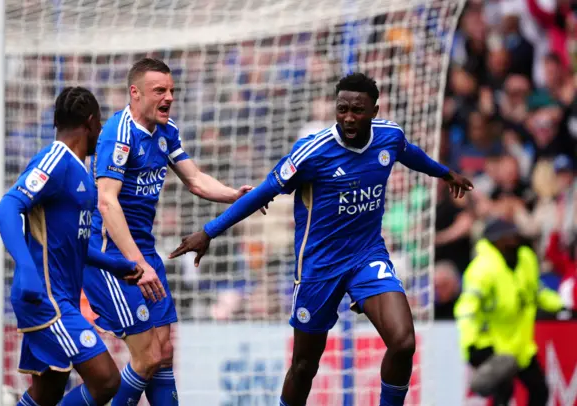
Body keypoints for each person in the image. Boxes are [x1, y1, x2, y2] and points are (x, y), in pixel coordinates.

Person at [170, 72, 474, 406]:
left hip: (366, 256)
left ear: (374, 109)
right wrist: (209, 232)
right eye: (341, 108)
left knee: (403, 342)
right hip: (318, 267)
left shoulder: (389, 136)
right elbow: (262, 193)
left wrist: (444, 173)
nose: (347, 117)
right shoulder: (312, 153)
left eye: (357, 110)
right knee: (304, 366)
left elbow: (410, 152)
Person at [83, 58, 263, 406]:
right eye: (159, 91)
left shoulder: (167, 131)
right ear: (135, 94)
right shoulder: (117, 136)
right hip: (112, 257)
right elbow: (107, 203)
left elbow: (195, 180)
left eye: (171, 91)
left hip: (144, 253)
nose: (168, 98)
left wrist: (235, 195)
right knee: (147, 357)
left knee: (164, 352)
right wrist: (137, 264)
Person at [0, 87, 144, 406]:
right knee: (106, 381)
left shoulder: (81, 174)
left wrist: (112, 264)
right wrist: (25, 267)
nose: (101, 132)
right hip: (47, 298)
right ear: (90, 123)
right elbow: (6, 208)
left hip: (61, 297)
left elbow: (69, 243)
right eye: (100, 125)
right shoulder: (56, 160)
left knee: (46, 397)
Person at [454, 218, 564, 406]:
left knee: (540, 390)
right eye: (509, 236)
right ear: (496, 240)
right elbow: (467, 309)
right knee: (503, 394)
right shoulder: (481, 269)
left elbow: (536, 291)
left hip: (520, 346)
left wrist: (560, 305)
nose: (514, 239)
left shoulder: (526, 258)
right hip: (493, 345)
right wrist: (471, 345)